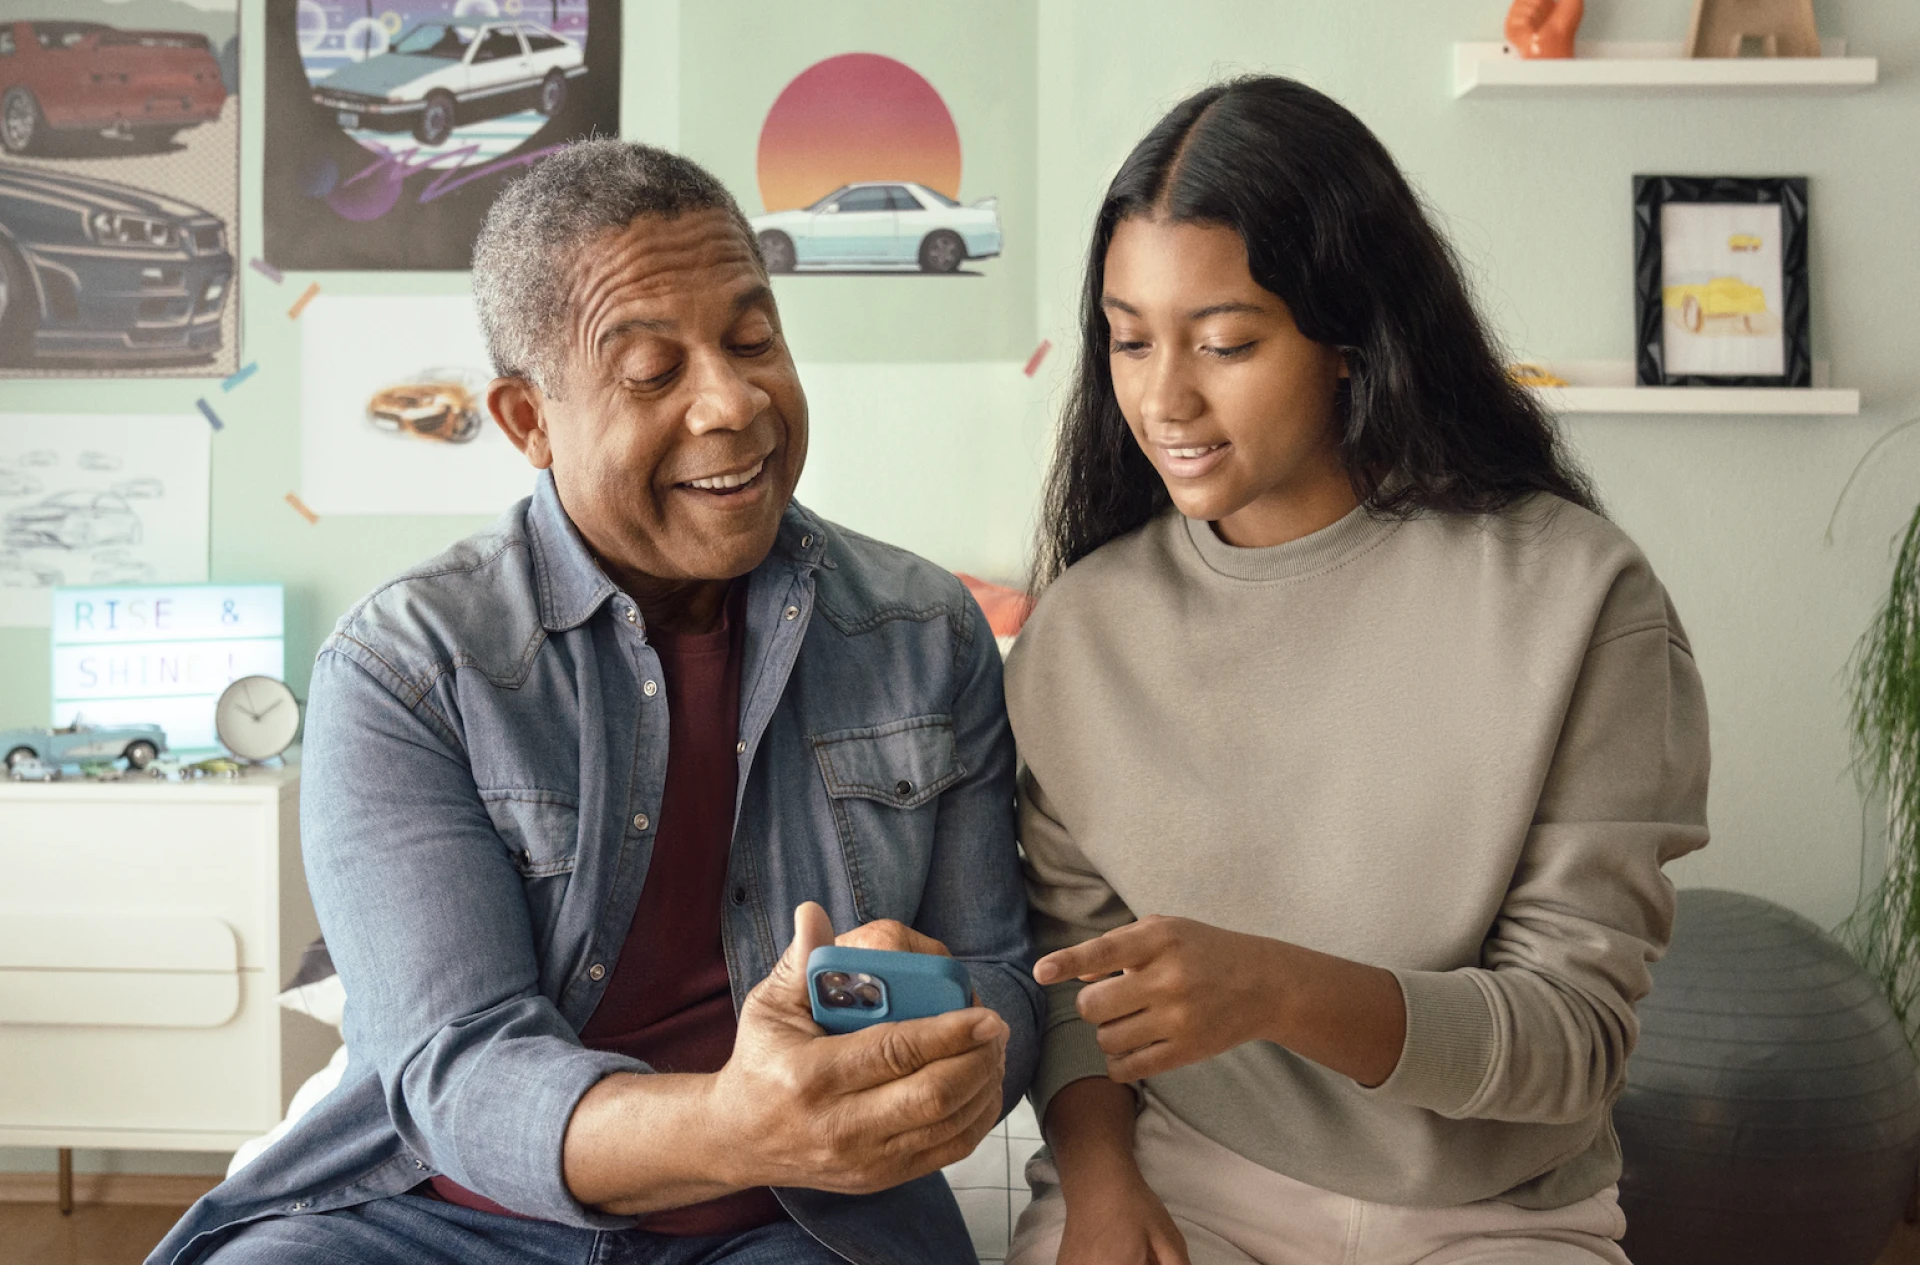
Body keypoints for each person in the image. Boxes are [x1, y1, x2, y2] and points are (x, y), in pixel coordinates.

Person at [149, 140, 1040, 1265]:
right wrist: (727, 1120)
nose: (733, 401)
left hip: (791, 1215)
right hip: (438, 1212)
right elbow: (459, 1063)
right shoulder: (404, 667)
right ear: (529, 420)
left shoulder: (924, 630)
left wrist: (953, 1067)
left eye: (754, 340)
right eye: (653, 371)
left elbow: (1002, 972)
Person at [1004, 76, 1709, 1265]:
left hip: (1497, 1210)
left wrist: (1276, 987)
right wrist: (1099, 1182)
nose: (1162, 397)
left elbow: (1574, 1037)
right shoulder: (1083, 631)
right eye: (1130, 339)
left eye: (1225, 340)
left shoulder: (1577, 599)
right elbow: (1076, 982)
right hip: (1184, 1179)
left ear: (1349, 338)